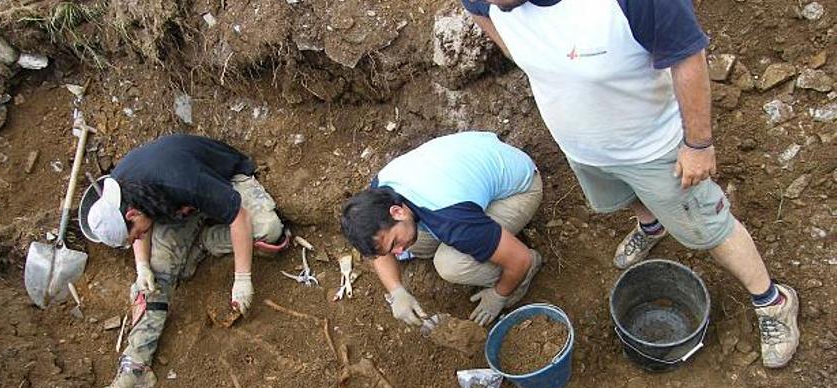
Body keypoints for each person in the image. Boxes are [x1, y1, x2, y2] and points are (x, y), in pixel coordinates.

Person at [461, 0, 800, 367]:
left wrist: (698, 144)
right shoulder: (488, 2)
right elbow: (476, 10)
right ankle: (651, 227)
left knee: (710, 228)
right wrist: (527, 55)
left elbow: (687, 55)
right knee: (623, 196)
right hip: (583, 148)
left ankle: (773, 301)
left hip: (653, 148)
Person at [85, 134, 286, 388]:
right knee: (153, 278)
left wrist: (242, 279)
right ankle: (135, 368)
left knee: (269, 229)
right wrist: (143, 266)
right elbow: (138, 233)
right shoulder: (120, 193)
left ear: (132, 215)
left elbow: (239, 216)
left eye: (134, 236)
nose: (137, 240)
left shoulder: (178, 179)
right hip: (179, 208)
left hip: (222, 180)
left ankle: (204, 241)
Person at [341, 131, 544, 327]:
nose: (398, 252)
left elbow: (520, 259)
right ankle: (486, 242)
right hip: (472, 170)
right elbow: (381, 251)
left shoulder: (452, 220)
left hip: (519, 188)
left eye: (394, 243)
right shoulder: (380, 194)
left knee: (451, 265)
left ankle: (523, 275)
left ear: (397, 212)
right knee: (413, 241)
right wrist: (396, 292)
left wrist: (498, 296)